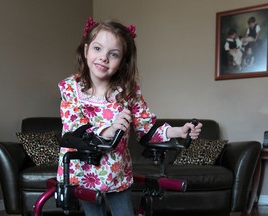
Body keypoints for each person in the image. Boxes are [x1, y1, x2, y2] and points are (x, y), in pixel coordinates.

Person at [56, 18, 202, 216]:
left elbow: (147, 129)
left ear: (123, 61)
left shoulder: (128, 92)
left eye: (113, 54)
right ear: (86, 50)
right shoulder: (70, 88)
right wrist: (109, 130)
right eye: (97, 49)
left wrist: (178, 131)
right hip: (83, 172)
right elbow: (74, 126)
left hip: (117, 171)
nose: (103, 58)